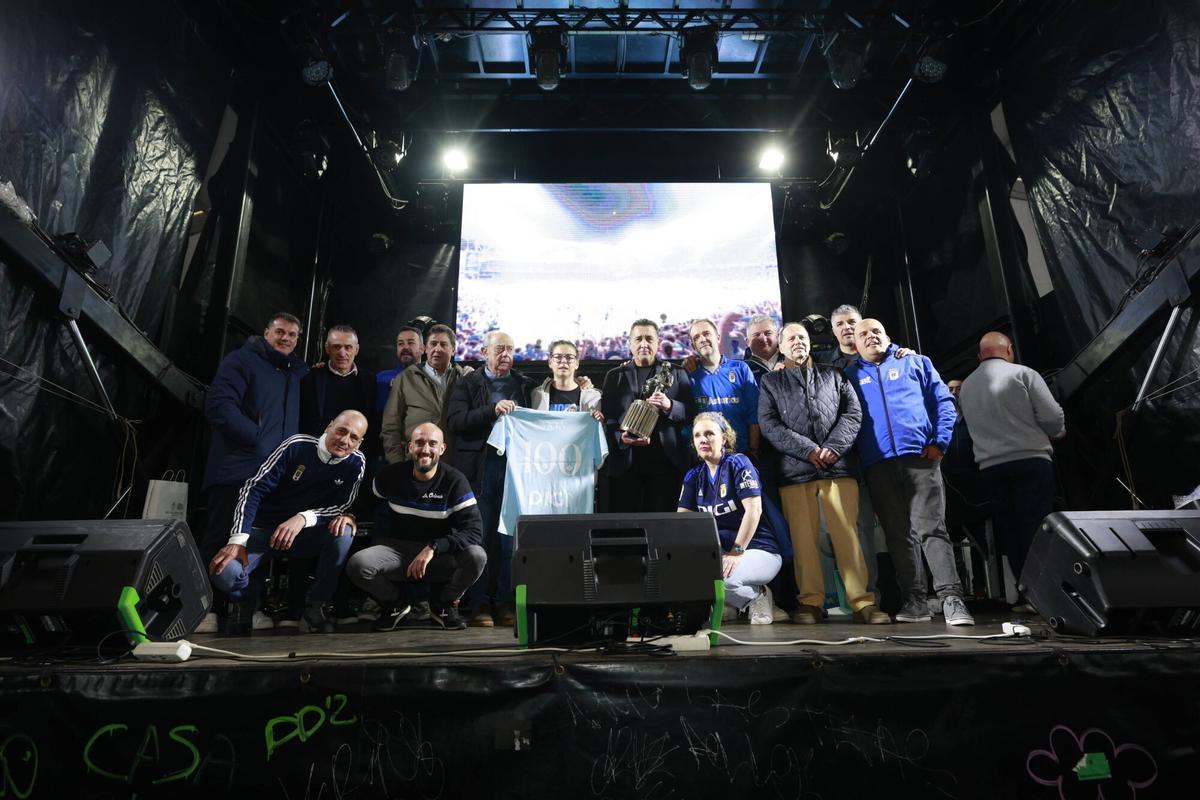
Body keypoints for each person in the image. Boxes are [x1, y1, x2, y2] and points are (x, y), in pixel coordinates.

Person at [758, 322, 890, 625]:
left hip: (838, 467)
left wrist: (833, 447)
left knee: (848, 536)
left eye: (802, 337)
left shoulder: (835, 374)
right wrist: (809, 451)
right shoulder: (770, 383)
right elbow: (769, 424)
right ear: (781, 347)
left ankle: (863, 602)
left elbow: (853, 413)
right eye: (791, 338)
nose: (798, 342)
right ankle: (810, 603)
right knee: (803, 542)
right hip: (795, 471)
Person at [846, 318, 975, 626]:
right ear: (856, 343)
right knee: (898, 536)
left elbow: (944, 402)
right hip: (878, 466)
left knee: (932, 529)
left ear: (887, 336)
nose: (871, 336)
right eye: (863, 334)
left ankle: (951, 599)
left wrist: (940, 443)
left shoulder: (914, 362)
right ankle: (915, 600)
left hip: (920, 459)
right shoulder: (849, 375)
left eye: (876, 331)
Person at [207, 411, 368, 634]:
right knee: (223, 572)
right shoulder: (296, 445)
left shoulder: (356, 462)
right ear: (329, 427)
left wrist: (303, 518)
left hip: (307, 533)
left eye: (353, 437)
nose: (344, 440)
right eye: (341, 431)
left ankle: (316, 606)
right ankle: (251, 600)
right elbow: (253, 489)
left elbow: (342, 506)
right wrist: (238, 540)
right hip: (265, 530)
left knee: (345, 531)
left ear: (359, 443)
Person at [198, 311, 308, 632]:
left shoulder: (293, 373)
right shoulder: (241, 361)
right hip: (236, 471)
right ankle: (206, 609)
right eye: (280, 332)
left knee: (256, 544)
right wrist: (260, 442)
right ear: (266, 332)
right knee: (220, 539)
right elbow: (219, 406)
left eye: (292, 335)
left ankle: (250, 610)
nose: (286, 338)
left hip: (270, 477)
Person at [345, 423, 485, 631]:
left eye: (432, 444)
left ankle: (443, 603)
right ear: (410, 447)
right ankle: (395, 603)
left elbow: (474, 531)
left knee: (477, 556)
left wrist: (434, 547)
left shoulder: (455, 481)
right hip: (399, 553)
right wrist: (350, 515)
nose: (425, 449)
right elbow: (364, 499)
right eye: (419, 443)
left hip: (438, 556)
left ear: (442, 449)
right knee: (358, 564)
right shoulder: (392, 475)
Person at [958, 331, 1065, 586]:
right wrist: (1057, 431)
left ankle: (1025, 589)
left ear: (979, 356)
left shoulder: (966, 388)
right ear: (1008, 350)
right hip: (1031, 461)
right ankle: (1046, 591)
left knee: (1009, 530)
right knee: (1038, 526)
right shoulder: (1024, 374)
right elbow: (1052, 417)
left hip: (990, 468)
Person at [447, 330, 536, 628]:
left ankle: (504, 602)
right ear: (484, 351)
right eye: (500, 349)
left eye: (510, 349)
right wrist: (490, 411)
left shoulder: (524, 385)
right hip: (478, 472)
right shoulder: (468, 383)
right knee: (481, 540)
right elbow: (455, 422)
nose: (506, 354)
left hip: (514, 472)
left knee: (510, 541)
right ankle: (479, 605)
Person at [677, 413, 781, 624]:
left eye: (709, 434)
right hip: (723, 554)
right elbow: (683, 523)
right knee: (691, 573)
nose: (703, 440)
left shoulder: (739, 463)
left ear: (724, 438)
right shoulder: (693, 476)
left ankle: (759, 595)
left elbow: (754, 510)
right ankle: (732, 604)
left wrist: (736, 552)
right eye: (697, 435)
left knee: (721, 579)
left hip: (759, 550)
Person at [601, 319, 694, 513]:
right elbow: (608, 418)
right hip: (626, 462)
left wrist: (670, 406)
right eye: (639, 339)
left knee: (664, 528)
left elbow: (691, 413)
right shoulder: (614, 375)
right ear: (630, 344)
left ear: (658, 342)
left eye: (649, 339)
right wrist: (621, 437)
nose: (644, 344)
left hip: (666, 462)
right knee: (626, 527)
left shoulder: (677, 373)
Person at [380, 323, 469, 463]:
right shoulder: (405, 378)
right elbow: (390, 426)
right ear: (425, 348)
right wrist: (396, 462)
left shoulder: (465, 379)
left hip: (453, 464)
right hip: (413, 462)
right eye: (433, 344)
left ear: (453, 350)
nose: (437, 349)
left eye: (443, 345)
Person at [687, 319, 761, 457]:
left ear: (718, 337)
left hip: (742, 453)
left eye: (706, 333)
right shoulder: (689, 375)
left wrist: (753, 450)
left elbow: (754, 412)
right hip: (707, 457)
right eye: (697, 337)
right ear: (693, 345)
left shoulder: (740, 369)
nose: (702, 339)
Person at [299, 325, 376, 437]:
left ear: (356, 349)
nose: (342, 353)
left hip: (354, 450)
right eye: (336, 347)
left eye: (348, 347)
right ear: (327, 348)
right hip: (314, 446)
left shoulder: (370, 381)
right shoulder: (310, 377)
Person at [530, 340, 603, 419]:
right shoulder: (536, 395)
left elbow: (598, 429)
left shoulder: (593, 397)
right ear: (550, 362)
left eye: (569, 357)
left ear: (577, 363)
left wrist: (600, 424)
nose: (563, 361)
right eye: (558, 357)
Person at [374, 326, 425, 412]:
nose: (405, 347)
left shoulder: (432, 379)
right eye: (400, 343)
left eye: (410, 343)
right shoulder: (380, 379)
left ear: (422, 348)